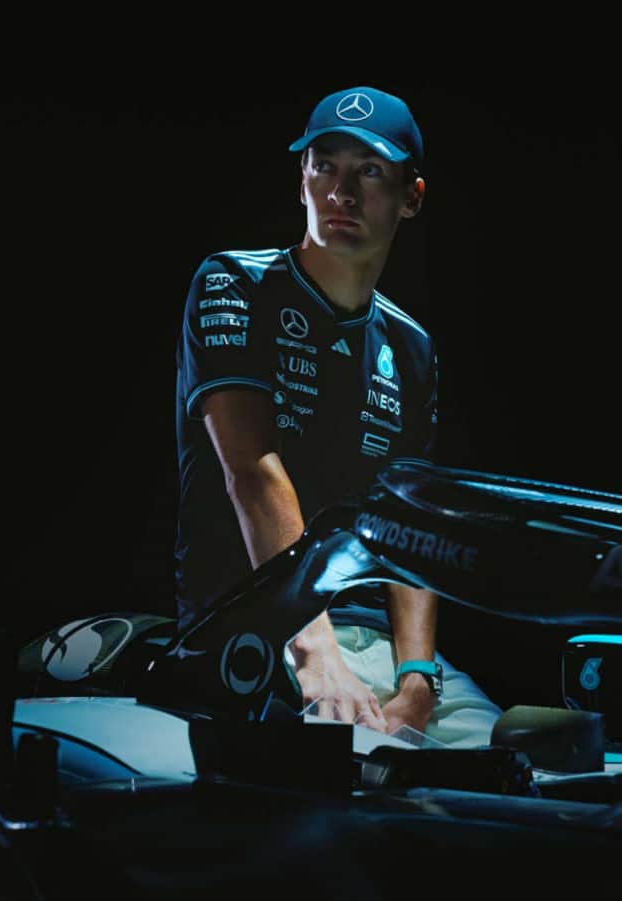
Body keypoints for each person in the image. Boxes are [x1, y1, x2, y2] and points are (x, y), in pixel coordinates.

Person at [174, 85, 502, 746]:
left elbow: (408, 524)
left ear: (412, 196)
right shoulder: (232, 282)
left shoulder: (412, 347)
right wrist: (316, 653)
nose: (341, 192)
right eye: (324, 165)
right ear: (301, 179)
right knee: (350, 777)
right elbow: (252, 471)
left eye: (369, 171)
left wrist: (418, 679)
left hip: (378, 643)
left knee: (515, 761)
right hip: (257, 632)